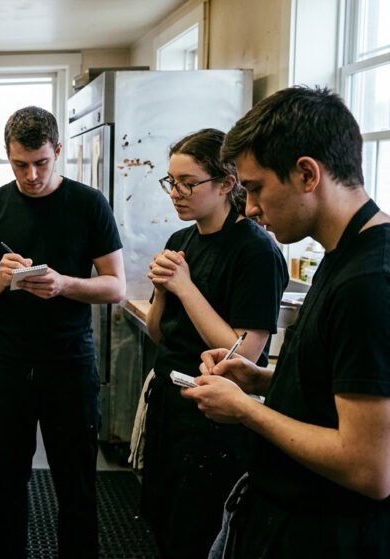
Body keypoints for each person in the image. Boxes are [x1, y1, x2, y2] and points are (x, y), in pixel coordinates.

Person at [182, 86, 390, 557]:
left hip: (330, 535)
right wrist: (262, 379)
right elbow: (346, 387)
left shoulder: (369, 282)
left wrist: (245, 409)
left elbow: (369, 467)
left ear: (307, 174)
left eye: (256, 188)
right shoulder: (344, 255)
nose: (250, 207)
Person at [0, 105, 126, 558]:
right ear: (7, 155)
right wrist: (0, 278)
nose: (31, 175)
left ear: (58, 150)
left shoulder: (89, 204)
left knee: (76, 485)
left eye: (41, 163)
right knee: (8, 482)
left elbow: (116, 286)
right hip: (9, 363)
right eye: (20, 165)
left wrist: (64, 285)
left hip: (70, 362)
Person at [139, 128, 287, 558]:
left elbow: (244, 354)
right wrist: (162, 292)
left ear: (226, 184)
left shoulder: (255, 251)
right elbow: (157, 333)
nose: (176, 193)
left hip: (215, 418)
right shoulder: (180, 241)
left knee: (199, 533)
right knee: (162, 519)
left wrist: (184, 288)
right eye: (171, 181)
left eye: (188, 183)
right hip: (169, 404)